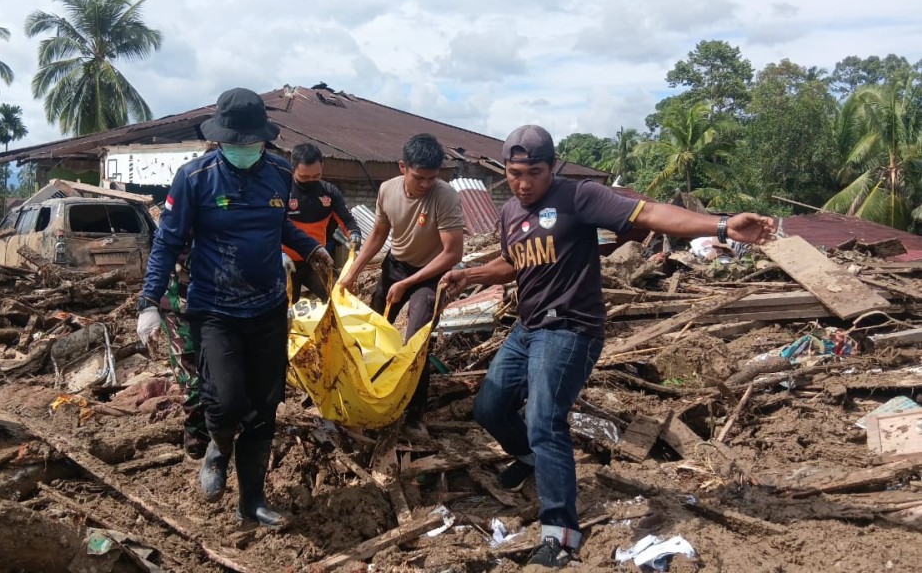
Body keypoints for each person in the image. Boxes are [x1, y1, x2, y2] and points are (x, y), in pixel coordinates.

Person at [440, 124, 777, 569]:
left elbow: (649, 213)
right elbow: (513, 262)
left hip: (570, 330)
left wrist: (722, 225)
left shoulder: (577, 196)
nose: (523, 184)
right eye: (515, 173)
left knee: (545, 421)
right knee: (489, 408)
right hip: (527, 327)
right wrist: (470, 275)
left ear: (552, 167)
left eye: (534, 173)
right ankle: (532, 460)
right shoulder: (510, 213)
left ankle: (560, 535)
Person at [136, 88, 334, 527]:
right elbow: (167, 241)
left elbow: (279, 225)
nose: (243, 149)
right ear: (220, 139)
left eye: (251, 142)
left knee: (265, 406)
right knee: (225, 401)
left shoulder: (279, 173)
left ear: (264, 138)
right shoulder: (195, 177)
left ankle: (253, 502)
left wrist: (311, 248)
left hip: (267, 308)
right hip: (215, 309)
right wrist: (148, 301)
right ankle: (218, 446)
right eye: (235, 143)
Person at [338, 133, 464, 426]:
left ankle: (414, 412)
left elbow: (453, 252)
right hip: (395, 267)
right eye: (419, 178)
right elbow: (378, 234)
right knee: (372, 327)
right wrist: (353, 271)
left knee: (416, 341)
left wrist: (408, 283)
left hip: (431, 274)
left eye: (432, 178)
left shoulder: (445, 196)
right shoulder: (387, 190)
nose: (426, 185)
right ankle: (368, 389)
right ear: (402, 167)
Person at [282, 142, 361, 302]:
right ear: (293, 169)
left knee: (339, 298)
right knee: (285, 307)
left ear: (322, 167)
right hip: (286, 262)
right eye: (304, 177)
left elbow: (347, 220)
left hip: (316, 259)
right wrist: (278, 255)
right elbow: (267, 225)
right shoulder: (282, 190)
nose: (310, 181)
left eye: (316, 176)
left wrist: (354, 234)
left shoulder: (329, 193)